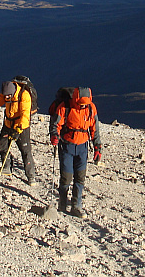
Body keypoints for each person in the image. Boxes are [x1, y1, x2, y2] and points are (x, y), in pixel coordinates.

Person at [49, 87, 102, 218]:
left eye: (85, 104)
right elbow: (56, 125)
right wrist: (54, 135)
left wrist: (97, 147)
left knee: (80, 177)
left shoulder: (91, 108)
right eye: (81, 104)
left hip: (83, 147)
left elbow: (95, 128)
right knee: (66, 177)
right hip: (67, 146)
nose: (83, 106)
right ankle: (62, 204)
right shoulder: (64, 107)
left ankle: (76, 206)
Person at [0, 80, 36, 186]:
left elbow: (25, 115)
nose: (6, 98)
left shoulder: (24, 95)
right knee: (1, 146)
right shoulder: (5, 94)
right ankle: (7, 167)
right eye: (5, 96)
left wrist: (19, 129)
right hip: (8, 124)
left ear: (13, 92)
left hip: (21, 127)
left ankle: (31, 176)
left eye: (8, 96)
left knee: (25, 151)